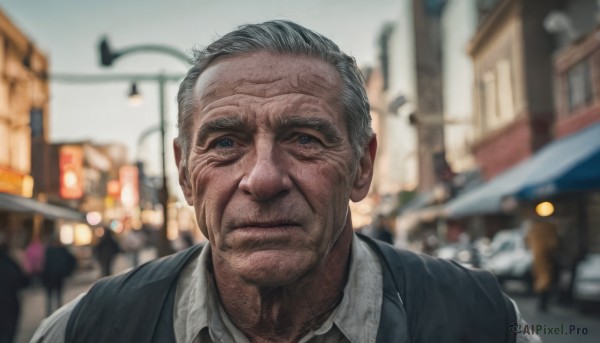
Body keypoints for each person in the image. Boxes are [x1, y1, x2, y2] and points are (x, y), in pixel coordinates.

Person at [32, 20, 535, 342]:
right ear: (186, 174)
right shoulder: (88, 329)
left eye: (305, 139)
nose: (264, 179)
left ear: (361, 166)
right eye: (226, 143)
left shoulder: (484, 323)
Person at [525, 212, 559, 312]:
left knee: (542, 280)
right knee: (545, 280)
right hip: (544, 261)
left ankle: (542, 302)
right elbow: (553, 244)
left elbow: (527, 242)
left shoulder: (533, 228)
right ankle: (543, 302)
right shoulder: (548, 228)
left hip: (539, 260)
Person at [0, 232, 29, 343]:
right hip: (9, 306)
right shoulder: (11, 264)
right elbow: (24, 282)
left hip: (8, 306)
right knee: (7, 335)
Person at [41, 236, 77, 316]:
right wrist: (67, 272)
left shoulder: (48, 250)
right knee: (57, 295)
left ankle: (50, 313)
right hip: (57, 276)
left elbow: (43, 263)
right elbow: (72, 260)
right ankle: (57, 312)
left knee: (51, 296)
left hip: (50, 276)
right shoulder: (61, 250)